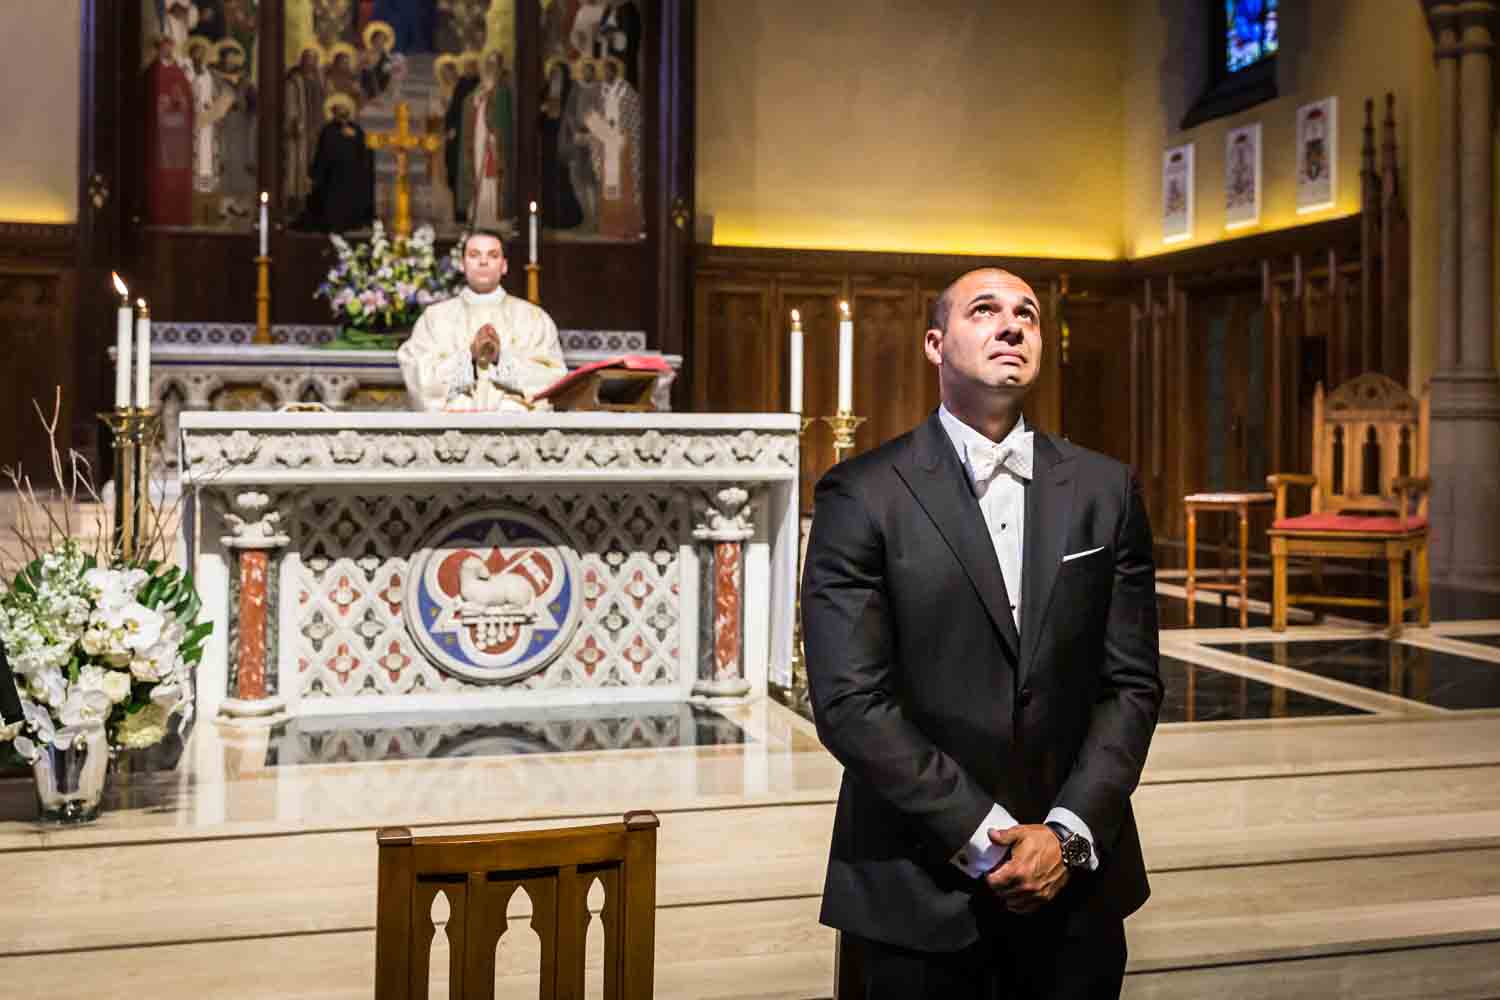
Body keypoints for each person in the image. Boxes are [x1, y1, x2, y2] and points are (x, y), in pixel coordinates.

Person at [801, 267, 1163, 999]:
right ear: (935, 343)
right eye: (985, 310)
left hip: (1076, 887)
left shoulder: (1105, 489)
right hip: (915, 886)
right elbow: (848, 700)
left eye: (1026, 313)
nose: (1011, 324)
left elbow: (1131, 684)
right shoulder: (862, 493)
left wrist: (1064, 833)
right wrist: (982, 832)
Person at [397, 231, 567, 412]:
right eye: (474, 255)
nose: (483, 262)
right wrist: (468, 356)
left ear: (504, 266)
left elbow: (554, 379)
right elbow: (419, 378)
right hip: (454, 430)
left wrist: (501, 359)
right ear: (462, 265)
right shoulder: (434, 319)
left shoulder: (534, 319)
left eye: (493, 255)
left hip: (514, 429)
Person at [297, 92, 375, 233]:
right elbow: (321, 155)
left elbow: (363, 157)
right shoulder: (327, 131)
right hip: (331, 182)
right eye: (337, 109)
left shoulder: (357, 131)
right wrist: (315, 174)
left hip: (352, 181)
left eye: (343, 108)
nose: (341, 112)